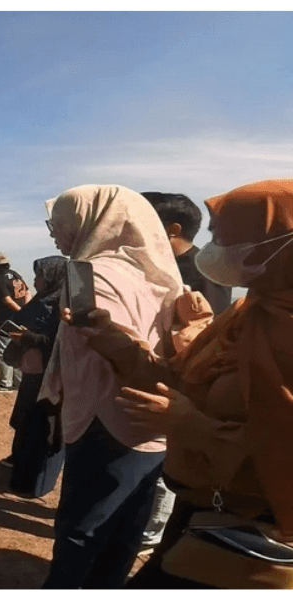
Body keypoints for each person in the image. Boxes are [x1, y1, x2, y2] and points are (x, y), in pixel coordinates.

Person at [75, 179, 293, 588]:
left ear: (280, 247)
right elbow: (183, 378)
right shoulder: (249, 311)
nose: (214, 249)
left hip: (256, 540)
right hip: (203, 516)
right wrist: (114, 340)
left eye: (228, 239)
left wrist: (192, 426)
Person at [39, 184, 183, 589]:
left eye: (58, 222)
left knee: (82, 530)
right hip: (152, 420)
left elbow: (107, 344)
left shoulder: (94, 272)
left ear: (89, 220)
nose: (54, 233)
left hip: (103, 418)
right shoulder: (156, 273)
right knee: (126, 530)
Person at [138, 191, 233, 553]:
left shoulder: (203, 270)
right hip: (162, 370)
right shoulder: (163, 266)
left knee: (169, 458)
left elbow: (212, 330)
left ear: (172, 229)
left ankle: (153, 531)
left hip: (188, 380)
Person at [3, 256, 67, 496]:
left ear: (52, 277)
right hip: (32, 372)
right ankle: (20, 468)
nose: (35, 280)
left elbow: (58, 342)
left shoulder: (60, 303)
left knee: (41, 429)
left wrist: (28, 337)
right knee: (25, 421)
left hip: (48, 376)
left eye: (40, 275)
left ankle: (34, 482)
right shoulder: (42, 298)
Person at [142, 191, 233, 316]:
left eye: (142, 224)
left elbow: (210, 322)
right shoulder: (163, 265)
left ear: (173, 230)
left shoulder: (206, 271)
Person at [0, 252, 29, 392]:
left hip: (7, 320)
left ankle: (5, 383)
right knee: (17, 350)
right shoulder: (15, 275)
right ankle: (18, 382)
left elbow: (7, 300)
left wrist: (20, 311)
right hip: (20, 319)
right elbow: (27, 292)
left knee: (2, 351)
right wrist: (26, 310)